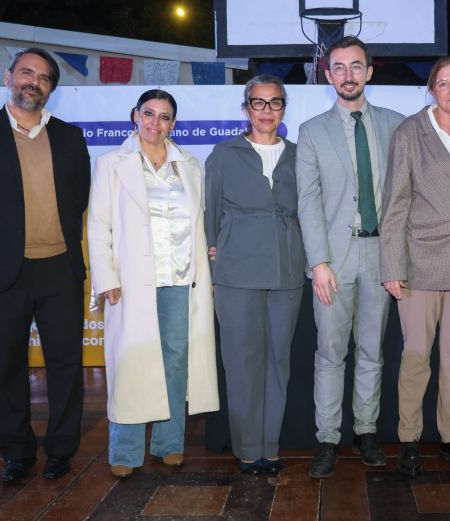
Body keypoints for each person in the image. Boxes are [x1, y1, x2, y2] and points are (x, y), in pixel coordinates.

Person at [0, 48, 90, 483]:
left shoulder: (69, 137)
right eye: (27, 72)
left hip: (60, 269)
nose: (34, 81)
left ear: (51, 89)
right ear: (9, 77)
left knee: (65, 364)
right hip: (3, 271)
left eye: (43, 77)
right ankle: (17, 452)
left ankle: (61, 449)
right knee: (6, 365)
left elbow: (79, 197)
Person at [87, 89, 219, 479]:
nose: (154, 123)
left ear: (173, 124)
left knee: (176, 363)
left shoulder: (191, 165)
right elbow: (98, 226)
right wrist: (106, 278)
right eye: (148, 114)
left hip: (181, 280)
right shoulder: (112, 163)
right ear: (135, 115)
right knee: (131, 362)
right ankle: (125, 451)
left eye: (164, 117)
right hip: (131, 283)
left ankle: (169, 443)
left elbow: (200, 220)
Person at [296, 36, 405, 479]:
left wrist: (399, 260)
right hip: (334, 260)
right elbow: (307, 201)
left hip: (381, 255)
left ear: (369, 72)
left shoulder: (397, 126)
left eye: (355, 67)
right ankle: (327, 438)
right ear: (327, 74)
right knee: (329, 353)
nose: (347, 75)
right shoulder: (311, 131)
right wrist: (318, 263)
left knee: (372, 351)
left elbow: (404, 198)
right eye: (338, 68)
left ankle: (366, 430)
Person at [380, 56, 450, 477]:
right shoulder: (411, 132)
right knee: (415, 357)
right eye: (443, 82)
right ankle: (409, 439)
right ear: (431, 88)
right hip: (420, 261)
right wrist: (392, 265)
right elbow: (395, 204)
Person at [204, 75, 306, 475]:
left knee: (279, 360)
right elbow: (210, 214)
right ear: (245, 108)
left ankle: (270, 445)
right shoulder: (224, 154)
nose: (266, 111)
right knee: (243, 362)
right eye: (258, 103)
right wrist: (216, 259)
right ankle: (248, 449)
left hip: (287, 270)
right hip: (236, 272)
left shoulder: (299, 154)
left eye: (274, 103)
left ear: (284, 108)